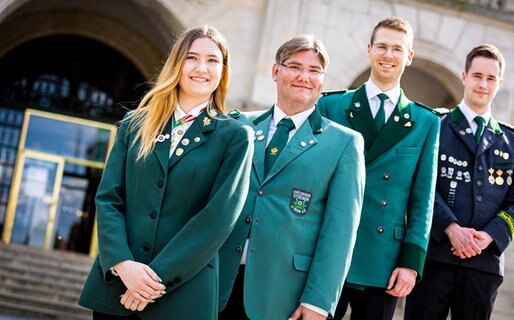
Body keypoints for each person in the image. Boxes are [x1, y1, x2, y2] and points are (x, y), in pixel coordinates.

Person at [78, 26, 254, 320]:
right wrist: (123, 264)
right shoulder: (135, 125)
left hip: (182, 298)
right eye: (192, 57)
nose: (202, 68)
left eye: (213, 60)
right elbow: (109, 200)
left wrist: (150, 281)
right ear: (177, 64)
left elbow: (217, 220)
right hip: (117, 288)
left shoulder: (236, 136)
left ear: (223, 71)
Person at [217, 34, 366, 320]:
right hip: (217, 283)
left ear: (323, 80)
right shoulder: (239, 125)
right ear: (276, 72)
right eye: (295, 66)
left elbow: (340, 232)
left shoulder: (344, 143)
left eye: (314, 71)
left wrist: (319, 301)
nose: (303, 77)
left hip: (283, 295)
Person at [316, 16, 440, 320]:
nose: (388, 55)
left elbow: (422, 201)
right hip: (328, 249)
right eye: (382, 46)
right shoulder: (332, 107)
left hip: (384, 259)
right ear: (369, 49)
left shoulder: (426, 122)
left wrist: (412, 262)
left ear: (409, 57)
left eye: (397, 49)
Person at [404, 44, 514, 320]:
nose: (483, 84)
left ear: (500, 83)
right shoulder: (435, 125)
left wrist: (488, 237)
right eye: (477, 76)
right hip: (434, 256)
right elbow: (419, 183)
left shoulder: (513, 142)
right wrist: (450, 227)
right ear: (464, 76)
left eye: (491, 78)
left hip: (483, 264)